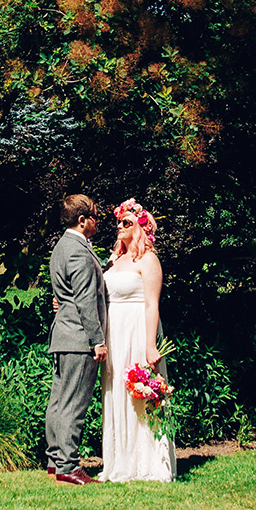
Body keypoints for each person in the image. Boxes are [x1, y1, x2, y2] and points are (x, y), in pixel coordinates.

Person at [98, 199, 174, 482]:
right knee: (115, 392)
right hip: (114, 333)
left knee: (138, 394)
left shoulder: (149, 260)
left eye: (126, 222)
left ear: (141, 227)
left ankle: (146, 462)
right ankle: (119, 462)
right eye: (118, 222)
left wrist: (150, 345)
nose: (119, 226)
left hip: (137, 330)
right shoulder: (114, 260)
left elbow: (152, 305)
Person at [45, 193, 108, 484]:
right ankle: (69, 466)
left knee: (59, 400)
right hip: (78, 337)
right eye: (95, 216)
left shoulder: (61, 247)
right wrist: (97, 340)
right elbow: (84, 300)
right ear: (82, 221)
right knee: (73, 404)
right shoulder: (79, 251)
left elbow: (64, 294)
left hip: (62, 334)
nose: (98, 221)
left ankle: (55, 460)